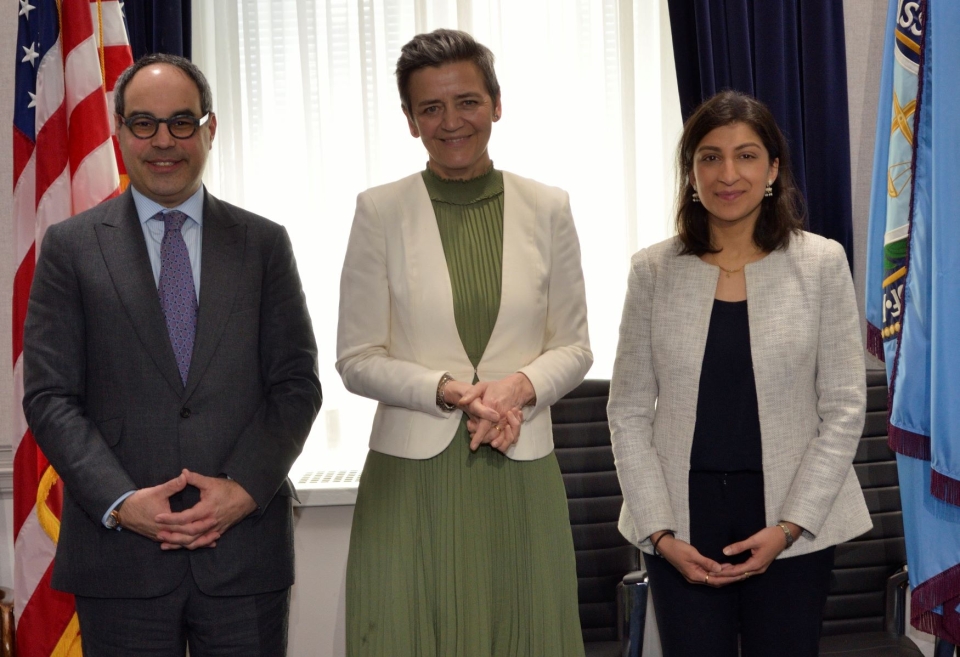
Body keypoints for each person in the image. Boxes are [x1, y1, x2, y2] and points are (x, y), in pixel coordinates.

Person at [22, 53, 321, 656]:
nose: (164, 141)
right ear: (118, 131)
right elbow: (51, 396)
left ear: (209, 130)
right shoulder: (69, 248)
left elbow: (295, 386)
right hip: (120, 561)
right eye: (144, 123)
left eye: (182, 122)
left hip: (243, 559)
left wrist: (242, 489)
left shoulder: (264, 244)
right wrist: (121, 501)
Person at [336, 28, 592, 657]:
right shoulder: (379, 211)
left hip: (519, 461)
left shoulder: (549, 207)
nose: (451, 122)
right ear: (410, 120)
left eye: (468, 102)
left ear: (496, 104)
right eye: (430, 108)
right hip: (410, 482)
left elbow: (575, 345)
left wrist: (518, 389)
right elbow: (356, 357)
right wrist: (446, 391)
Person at [607, 90, 872, 657]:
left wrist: (789, 527)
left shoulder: (822, 263)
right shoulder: (652, 271)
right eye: (709, 156)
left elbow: (845, 409)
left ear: (773, 168)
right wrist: (660, 532)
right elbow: (627, 412)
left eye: (747, 155)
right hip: (681, 520)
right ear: (691, 173)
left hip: (789, 519)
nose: (728, 173)